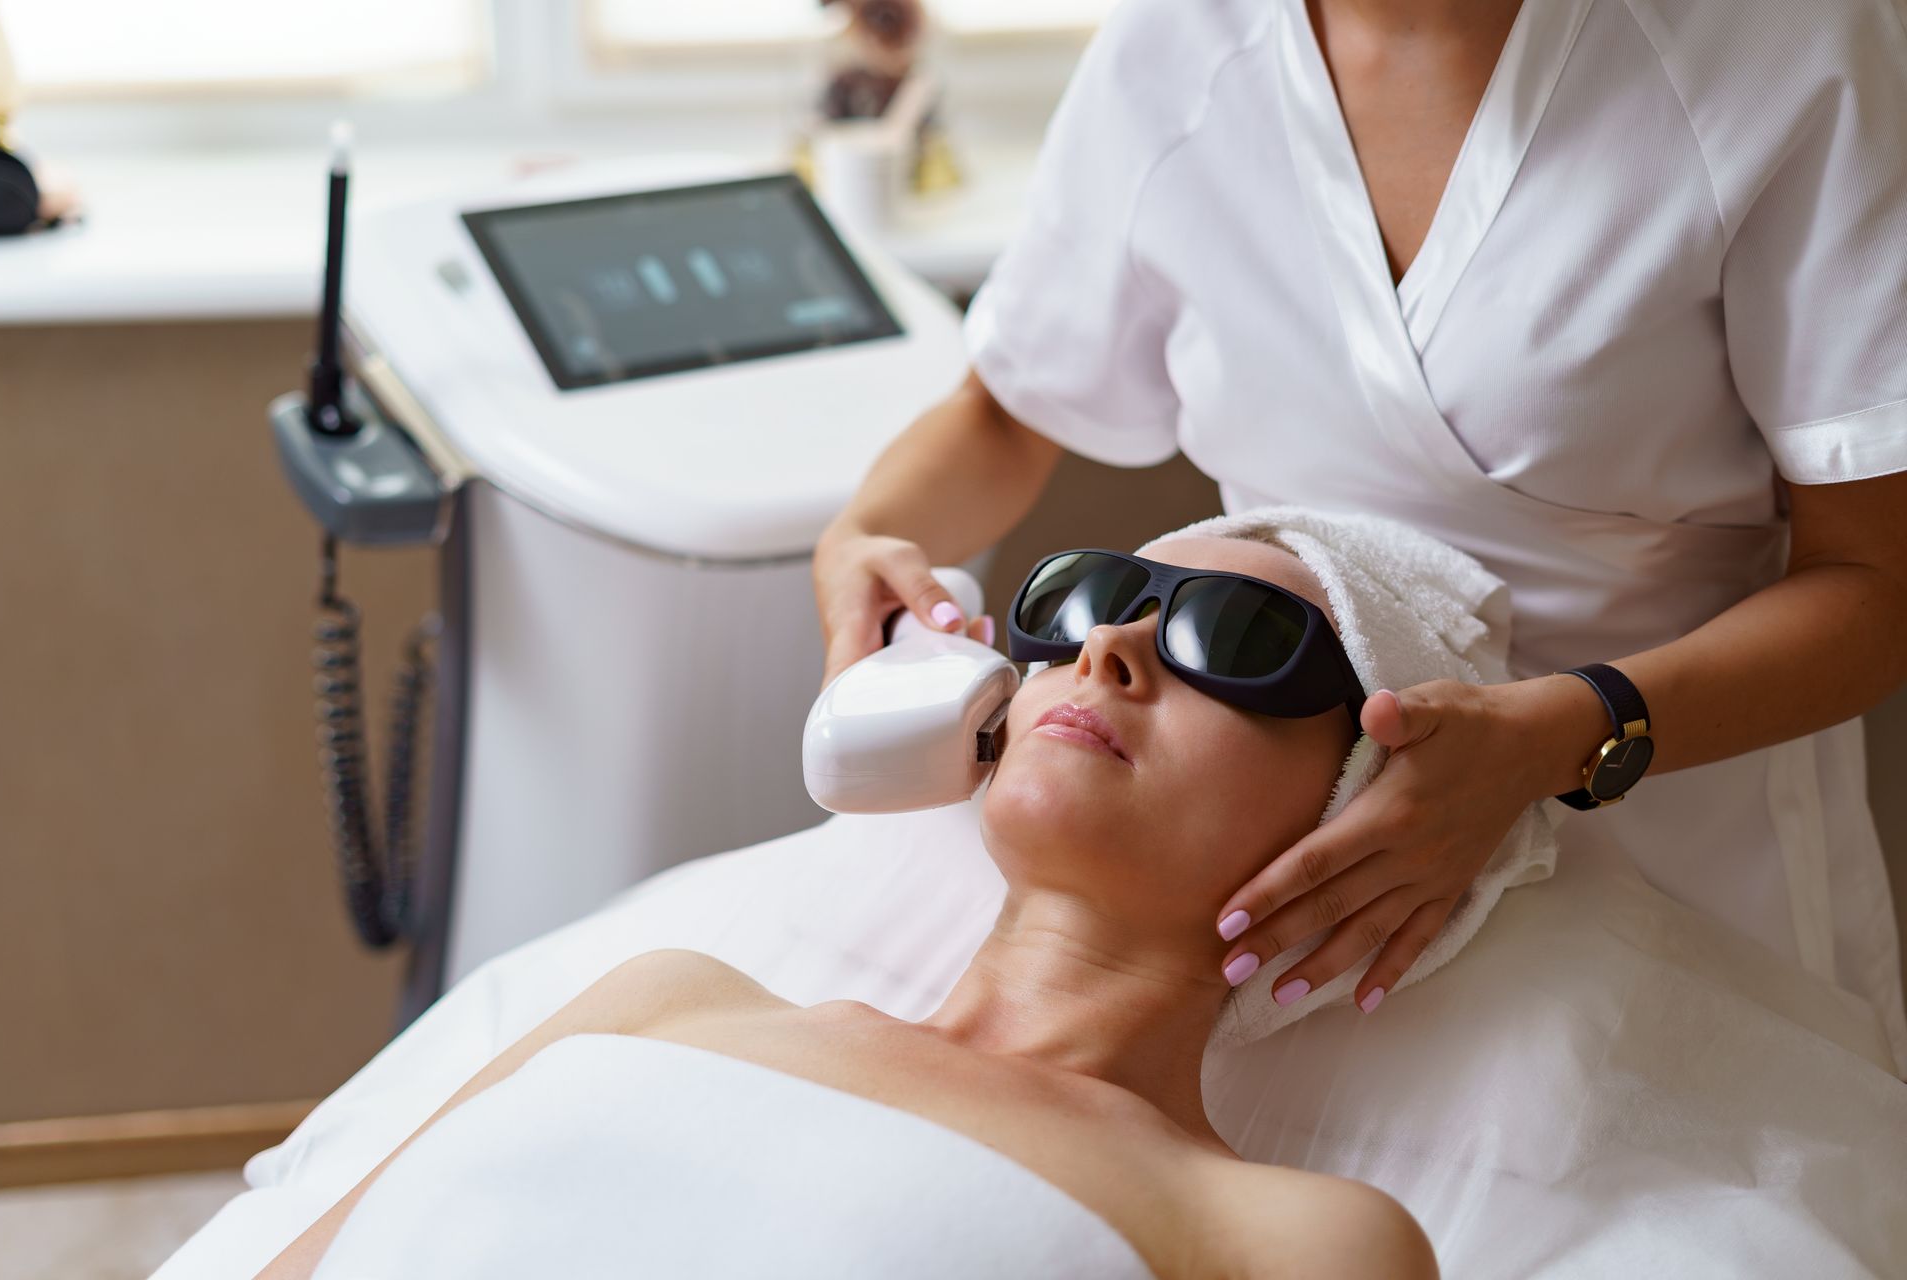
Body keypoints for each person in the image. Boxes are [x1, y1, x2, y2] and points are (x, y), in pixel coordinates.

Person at [813, 0, 1907, 1065]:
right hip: (1272, 882)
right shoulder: (1178, 43)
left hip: (1659, 825)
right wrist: (868, 530)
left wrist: (1557, 736)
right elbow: (1007, 410)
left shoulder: (1790, 43)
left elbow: (1875, 581)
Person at [254, 533, 1437, 1280]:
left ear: (1363, 806)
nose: (1112, 647)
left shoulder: (1292, 1240)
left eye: (1234, 637)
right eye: (1085, 599)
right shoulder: (668, 993)